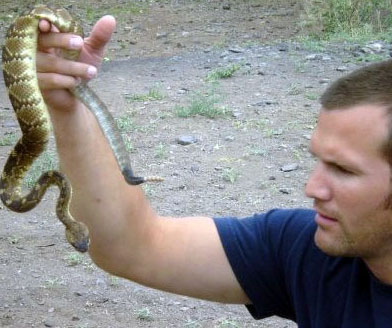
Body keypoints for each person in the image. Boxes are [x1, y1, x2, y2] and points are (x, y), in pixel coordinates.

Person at [35, 15, 392, 327]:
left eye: (343, 170)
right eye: (318, 161)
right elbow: (132, 246)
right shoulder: (311, 251)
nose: (312, 187)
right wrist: (69, 106)